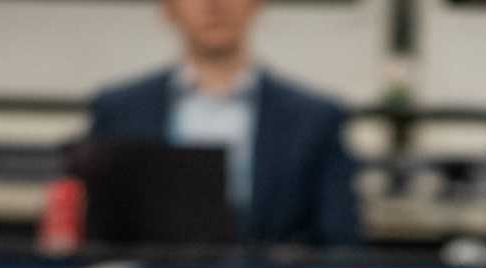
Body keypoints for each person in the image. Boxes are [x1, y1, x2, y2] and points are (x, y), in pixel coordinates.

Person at [85, 0, 359, 248]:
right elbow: (94, 235)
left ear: (257, 4)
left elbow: (339, 244)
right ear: (168, 8)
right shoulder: (119, 111)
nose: (214, 4)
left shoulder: (315, 120)